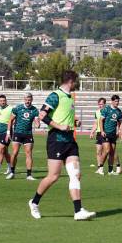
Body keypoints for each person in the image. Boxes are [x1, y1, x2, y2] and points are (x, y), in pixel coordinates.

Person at [28, 70, 95, 220]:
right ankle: (34, 202)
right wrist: (59, 126)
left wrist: (74, 121)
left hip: (70, 141)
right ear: (70, 81)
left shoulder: (70, 97)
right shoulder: (55, 95)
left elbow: (64, 116)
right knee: (53, 176)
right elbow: (42, 116)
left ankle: (78, 211)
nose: (76, 84)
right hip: (56, 140)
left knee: (76, 174)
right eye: (76, 81)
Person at [6, 92, 40, 180]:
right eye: (26, 100)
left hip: (28, 134)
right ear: (24, 99)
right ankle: (12, 172)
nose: (28, 101)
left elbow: (36, 121)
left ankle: (29, 175)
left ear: (32, 100)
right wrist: (8, 132)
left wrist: (37, 123)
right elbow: (10, 120)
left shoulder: (35, 110)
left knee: (29, 153)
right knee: (15, 152)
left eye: (29, 100)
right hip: (17, 133)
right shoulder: (18, 108)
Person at [96, 95, 122, 175]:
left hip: (113, 134)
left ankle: (110, 170)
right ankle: (100, 167)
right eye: (115, 101)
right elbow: (101, 120)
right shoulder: (106, 109)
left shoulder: (119, 111)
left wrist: (119, 130)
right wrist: (102, 131)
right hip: (105, 133)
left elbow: (120, 122)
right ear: (112, 101)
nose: (117, 103)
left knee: (112, 152)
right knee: (107, 150)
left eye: (118, 101)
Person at [89, 97, 106, 169]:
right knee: (98, 151)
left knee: (107, 152)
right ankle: (99, 168)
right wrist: (92, 132)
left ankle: (114, 166)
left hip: (105, 133)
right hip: (99, 133)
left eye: (101, 104)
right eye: (99, 104)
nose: (100, 105)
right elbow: (95, 123)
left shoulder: (107, 111)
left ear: (104, 104)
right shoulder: (97, 112)